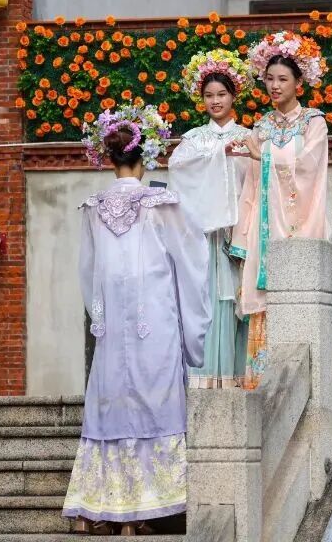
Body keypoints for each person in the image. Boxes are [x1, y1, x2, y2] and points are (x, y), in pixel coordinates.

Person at [63, 105, 211, 536]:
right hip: (156, 323)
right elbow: (193, 266)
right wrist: (193, 333)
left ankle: (99, 508)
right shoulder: (163, 204)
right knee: (156, 402)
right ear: (145, 156)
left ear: (109, 158)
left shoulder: (93, 207)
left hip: (113, 329)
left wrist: (101, 319)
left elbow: (88, 274)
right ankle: (147, 508)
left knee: (111, 405)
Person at [228, 32, 330, 390]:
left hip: (301, 219)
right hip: (265, 224)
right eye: (269, 78)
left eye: (283, 79)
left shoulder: (314, 122)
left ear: (299, 82)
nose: (274, 85)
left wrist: (266, 155)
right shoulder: (262, 127)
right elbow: (251, 185)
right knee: (264, 304)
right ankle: (261, 384)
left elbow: (310, 167)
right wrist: (242, 235)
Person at [168, 49, 256, 389]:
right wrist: (218, 154)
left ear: (234, 96)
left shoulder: (248, 136)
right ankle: (201, 379)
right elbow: (180, 173)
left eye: (221, 94)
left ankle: (237, 378)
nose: (215, 101)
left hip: (239, 233)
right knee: (204, 302)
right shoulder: (193, 140)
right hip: (204, 237)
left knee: (237, 301)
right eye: (209, 95)